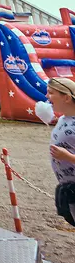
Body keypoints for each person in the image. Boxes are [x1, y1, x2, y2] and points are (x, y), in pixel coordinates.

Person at [44, 77, 75, 226]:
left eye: (51, 92)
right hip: (70, 188)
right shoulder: (63, 119)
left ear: (67, 98)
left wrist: (67, 156)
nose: (46, 96)